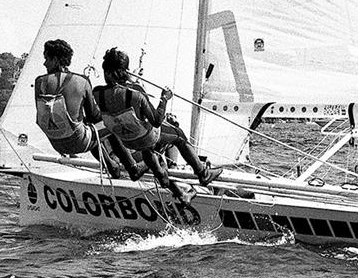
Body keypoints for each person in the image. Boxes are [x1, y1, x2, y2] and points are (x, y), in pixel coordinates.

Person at [93, 48, 220, 202]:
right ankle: (202, 173)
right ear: (125, 71)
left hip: (127, 140)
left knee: (149, 153)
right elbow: (156, 120)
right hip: (146, 137)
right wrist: (164, 98)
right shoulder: (136, 92)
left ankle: (174, 188)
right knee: (178, 135)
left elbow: (115, 95)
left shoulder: (97, 93)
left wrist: (128, 80)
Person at [34, 38, 138, 179]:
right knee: (110, 123)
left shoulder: (39, 82)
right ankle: (132, 167)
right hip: (79, 142)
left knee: (89, 128)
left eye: (47, 58)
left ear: (57, 59)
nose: (44, 63)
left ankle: (111, 165)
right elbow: (95, 116)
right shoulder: (82, 81)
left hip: (56, 143)